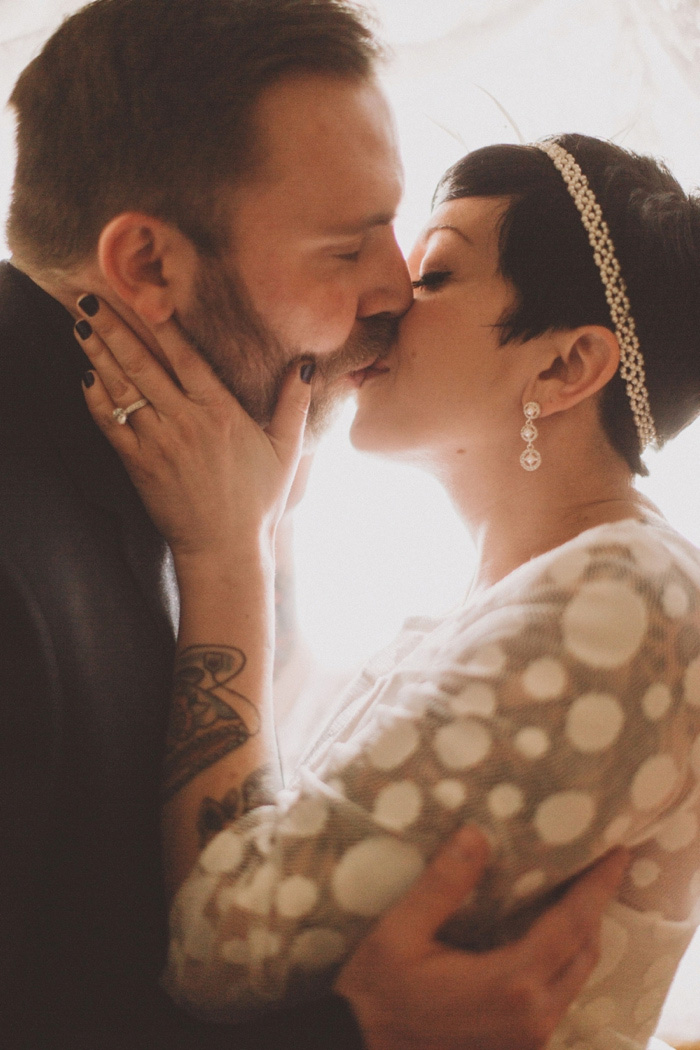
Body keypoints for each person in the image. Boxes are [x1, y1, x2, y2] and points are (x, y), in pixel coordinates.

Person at [0, 0, 619, 1047]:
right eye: (344, 249)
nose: (396, 286)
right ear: (147, 266)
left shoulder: (209, 481)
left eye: (391, 223)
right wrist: (360, 1031)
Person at [78, 130, 700, 1049]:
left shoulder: (627, 600)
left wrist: (226, 556)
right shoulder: (490, 613)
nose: (387, 302)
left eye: (438, 275)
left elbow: (221, 949)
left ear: (568, 366)